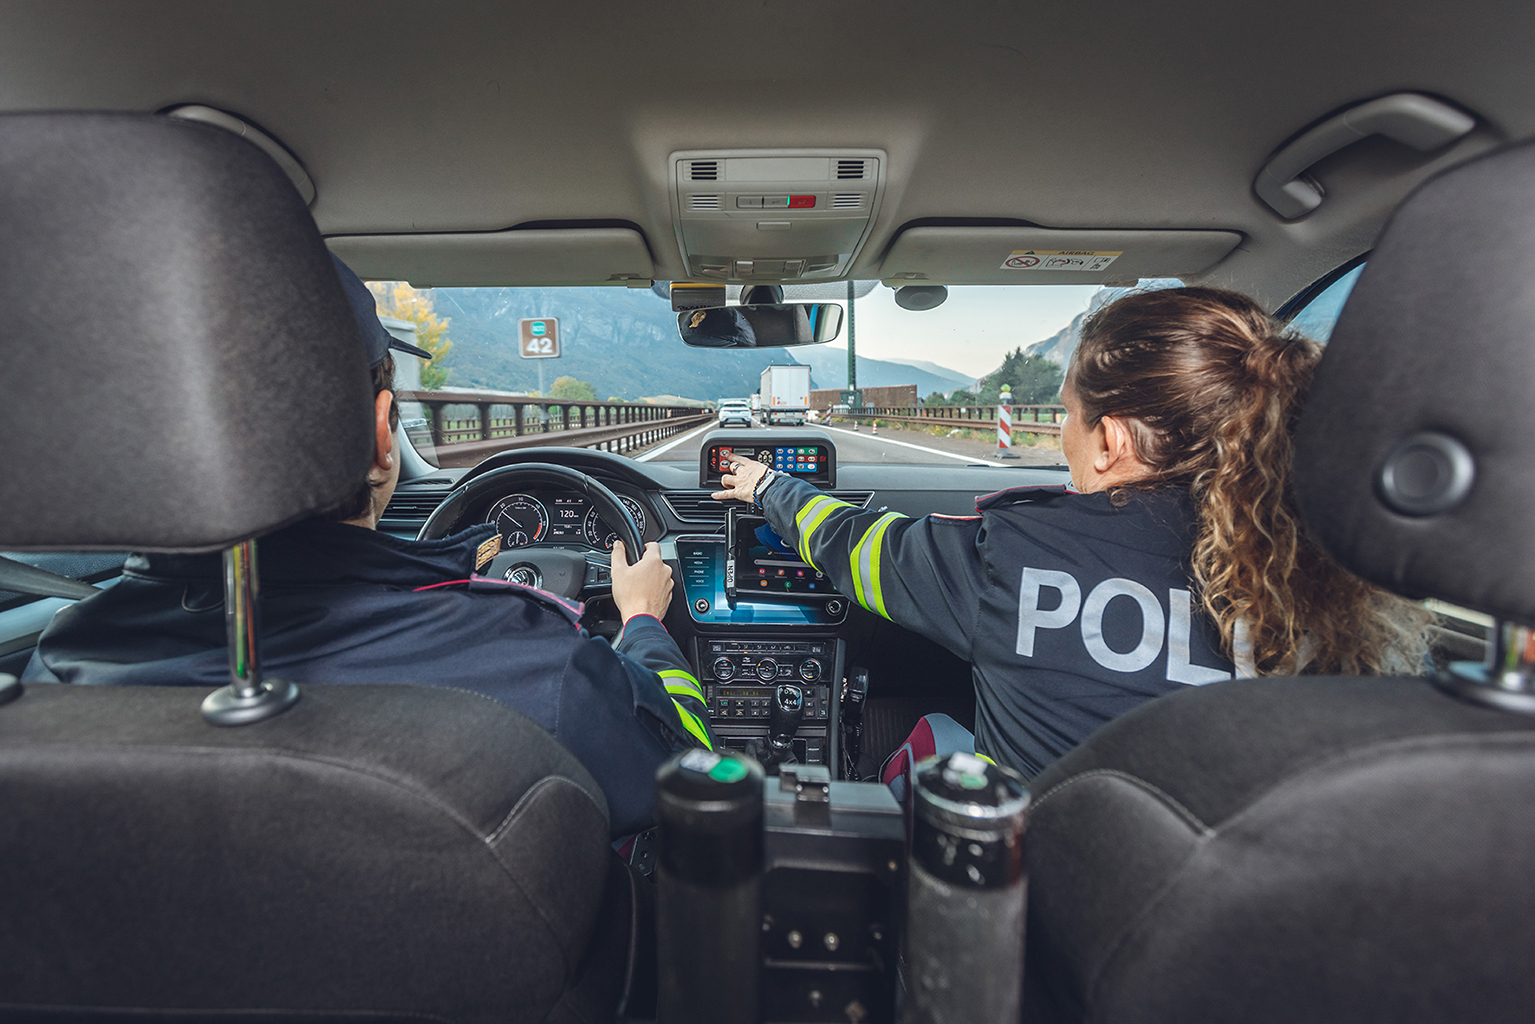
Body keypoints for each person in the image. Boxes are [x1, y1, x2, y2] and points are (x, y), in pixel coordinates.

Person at [24, 256, 716, 836]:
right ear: (384, 437)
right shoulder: (537, 664)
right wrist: (643, 622)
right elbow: (687, 778)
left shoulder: (55, 667)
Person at [714, 286, 1429, 786]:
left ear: (1111, 438)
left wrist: (769, 489)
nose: (1062, 435)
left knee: (931, 732)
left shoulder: (1022, 553)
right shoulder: (1323, 568)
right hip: (1223, 915)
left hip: (1041, 902)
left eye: (1067, 415)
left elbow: (858, 550)